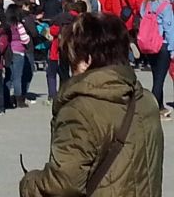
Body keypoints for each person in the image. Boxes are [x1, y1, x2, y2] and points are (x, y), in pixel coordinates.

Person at [19, 13, 163, 197]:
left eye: (72, 58)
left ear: (87, 59)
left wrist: (29, 183)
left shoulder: (80, 109)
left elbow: (62, 185)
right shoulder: (146, 100)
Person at [140, 0, 174, 119]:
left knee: (156, 76)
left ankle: (160, 107)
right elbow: (169, 29)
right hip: (163, 45)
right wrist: (173, 49)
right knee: (159, 80)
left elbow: (142, 16)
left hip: (149, 44)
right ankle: (152, 111)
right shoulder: (166, 5)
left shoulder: (147, 3)